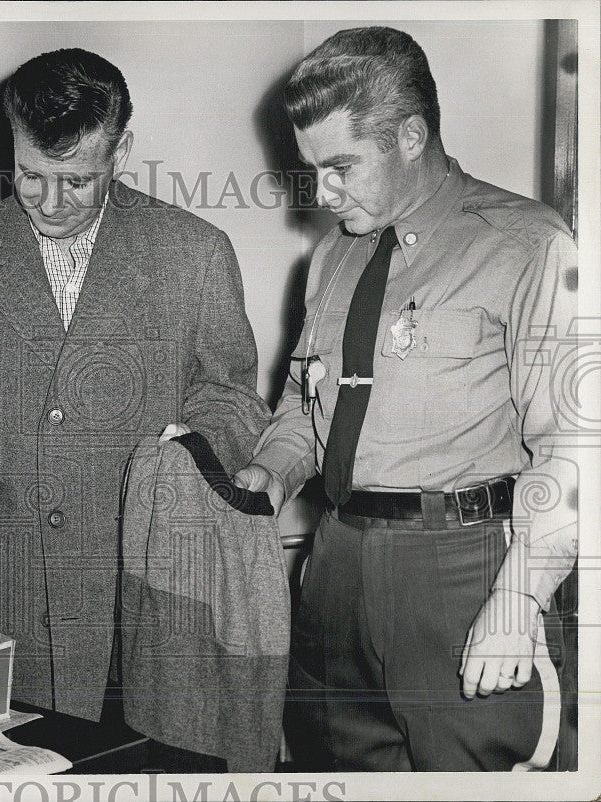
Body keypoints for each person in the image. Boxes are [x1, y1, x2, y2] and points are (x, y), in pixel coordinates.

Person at [0, 48, 268, 745]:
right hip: (2, 599)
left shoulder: (194, 254)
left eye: (76, 181)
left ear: (121, 149)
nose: (49, 201)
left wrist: (193, 456)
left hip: (142, 594)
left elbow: (229, 398)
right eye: (30, 176)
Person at [234, 26, 577, 771]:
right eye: (311, 170)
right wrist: (273, 469)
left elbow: (573, 446)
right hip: (336, 565)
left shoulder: (528, 245)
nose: (321, 193)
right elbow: (305, 400)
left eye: (340, 168)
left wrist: (519, 598)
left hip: (464, 569)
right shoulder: (335, 253)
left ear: (410, 137)